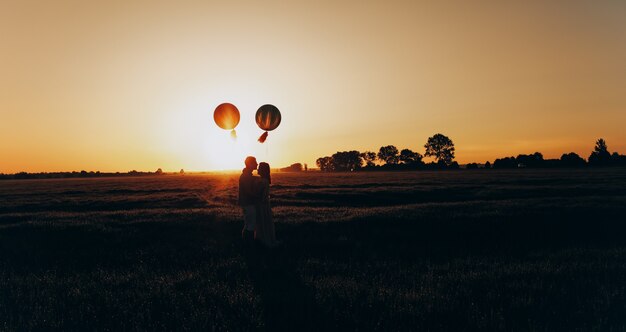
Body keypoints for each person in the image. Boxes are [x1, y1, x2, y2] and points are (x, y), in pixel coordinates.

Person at [254, 162, 278, 247]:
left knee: (262, 222)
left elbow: (257, 194)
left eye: (259, 168)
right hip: (265, 205)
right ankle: (265, 238)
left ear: (263, 170)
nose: (257, 169)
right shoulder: (264, 180)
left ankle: (263, 240)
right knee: (265, 222)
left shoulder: (262, 181)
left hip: (261, 205)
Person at [239, 156, 259, 245]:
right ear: (250, 164)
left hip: (246, 203)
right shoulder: (246, 176)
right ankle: (249, 244)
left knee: (248, 224)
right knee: (251, 225)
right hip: (248, 203)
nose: (257, 164)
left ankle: (245, 243)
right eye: (255, 162)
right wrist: (259, 196)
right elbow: (248, 191)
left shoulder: (247, 175)